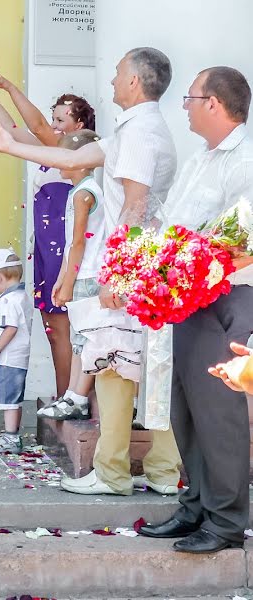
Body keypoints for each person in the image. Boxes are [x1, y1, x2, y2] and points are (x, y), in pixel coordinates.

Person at [0, 47, 182, 496]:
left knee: (117, 368)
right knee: (134, 368)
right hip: (136, 266)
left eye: (117, 72)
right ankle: (155, 472)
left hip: (130, 268)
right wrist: (10, 146)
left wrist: (116, 272)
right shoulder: (133, 128)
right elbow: (71, 158)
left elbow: (135, 204)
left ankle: (116, 473)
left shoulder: (142, 132)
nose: (110, 80)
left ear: (134, 81)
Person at [138, 67, 253, 554]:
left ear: (214, 103)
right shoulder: (200, 159)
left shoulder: (246, 158)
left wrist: (182, 269)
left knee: (217, 413)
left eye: (190, 97)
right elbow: (175, 224)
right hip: (185, 298)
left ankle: (226, 523)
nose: (183, 105)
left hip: (226, 296)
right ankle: (196, 506)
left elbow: (242, 240)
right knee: (186, 412)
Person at [0, 61, 96, 401]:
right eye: (54, 119)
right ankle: (65, 395)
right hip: (48, 249)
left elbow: (33, 123)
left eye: (60, 120)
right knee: (53, 328)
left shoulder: (75, 152)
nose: (52, 126)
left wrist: (8, 85)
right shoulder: (49, 152)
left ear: (79, 125)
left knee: (66, 327)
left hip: (66, 248)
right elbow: (10, 127)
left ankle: (71, 399)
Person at [41, 129, 105, 421]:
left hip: (89, 275)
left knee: (84, 338)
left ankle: (78, 396)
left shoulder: (84, 194)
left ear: (80, 161)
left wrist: (68, 282)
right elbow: (70, 243)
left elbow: (80, 241)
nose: (58, 162)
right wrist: (61, 278)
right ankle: (72, 394)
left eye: (65, 157)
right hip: (80, 272)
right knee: (78, 336)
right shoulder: (77, 191)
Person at [0, 249, 33, 453]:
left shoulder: (7, 300)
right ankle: (11, 435)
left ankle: (10, 437)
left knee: (8, 400)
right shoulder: (22, 296)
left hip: (8, 358)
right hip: (18, 357)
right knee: (14, 398)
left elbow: (11, 328)